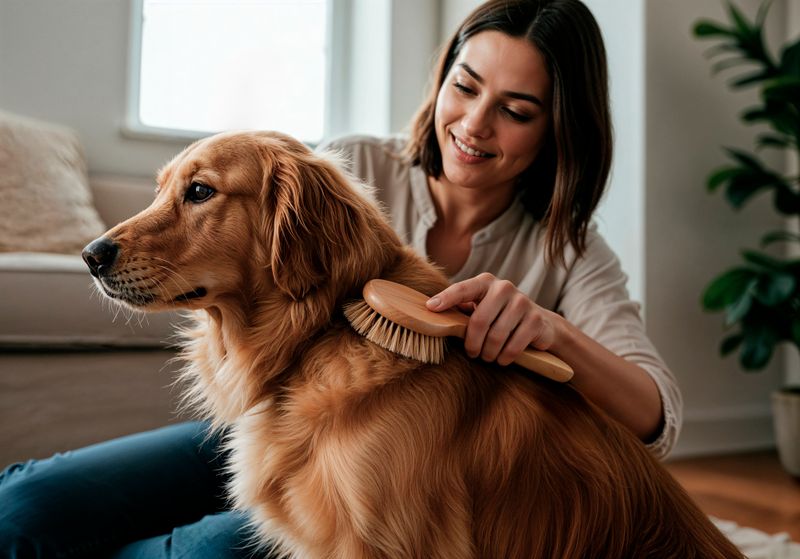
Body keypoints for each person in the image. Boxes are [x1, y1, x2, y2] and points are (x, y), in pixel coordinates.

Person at [0, 0, 681, 557]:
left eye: (516, 110)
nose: (474, 124)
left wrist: (551, 327)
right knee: (24, 506)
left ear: (558, 130)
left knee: (202, 552)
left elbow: (658, 413)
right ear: (442, 80)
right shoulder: (351, 166)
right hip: (272, 413)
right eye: (465, 86)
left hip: (398, 464)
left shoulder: (571, 252)